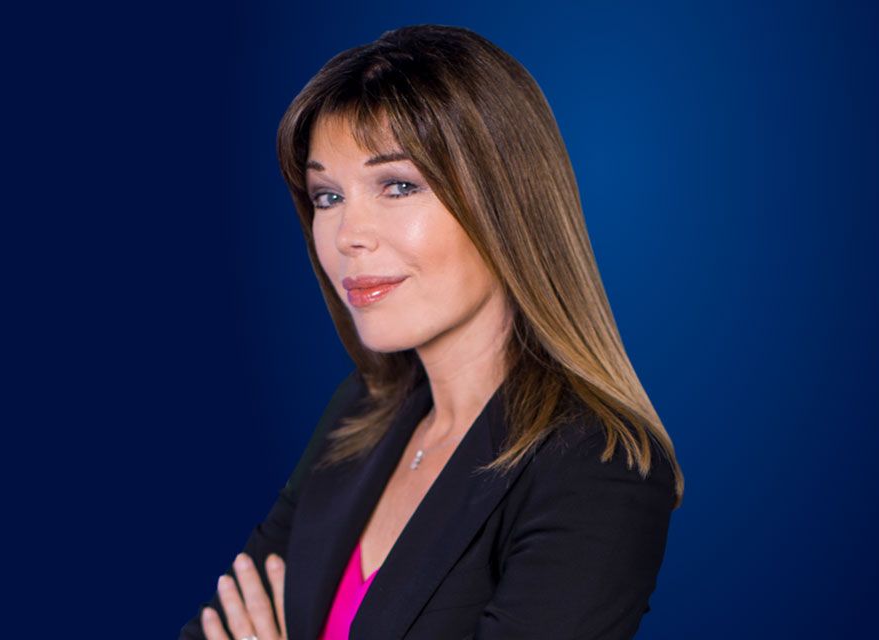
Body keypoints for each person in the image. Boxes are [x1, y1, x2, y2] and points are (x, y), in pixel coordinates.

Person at [179, 24, 684, 640]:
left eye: (398, 186)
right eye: (328, 196)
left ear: (506, 203)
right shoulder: (361, 412)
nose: (347, 236)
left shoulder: (598, 467)